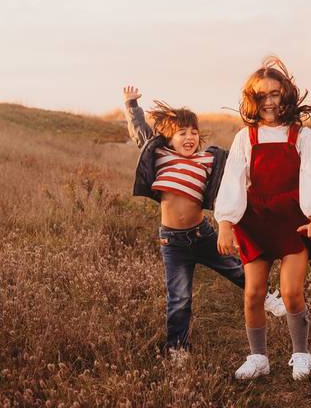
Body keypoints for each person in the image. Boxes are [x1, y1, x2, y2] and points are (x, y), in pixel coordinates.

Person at [122, 86, 286, 357]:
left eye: (193, 132)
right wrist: (131, 105)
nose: (189, 137)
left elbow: (240, 165)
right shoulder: (161, 155)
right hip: (172, 242)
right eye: (182, 133)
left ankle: (268, 297)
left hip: (203, 235)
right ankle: (178, 349)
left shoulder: (208, 159)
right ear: (169, 138)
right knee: (179, 298)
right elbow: (140, 133)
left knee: (237, 269)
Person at [214, 57, 311, 380]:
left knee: (291, 291)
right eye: (261, 95)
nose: (268, 102)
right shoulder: (246, 137)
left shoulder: (301, 136)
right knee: (253, 292)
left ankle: (302, 354)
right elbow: (233, 179)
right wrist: (225, 222)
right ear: (252, 99)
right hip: (255, 220)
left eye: (275, 94)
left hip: (294, 219)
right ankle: (258, 358)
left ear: (286, 94)